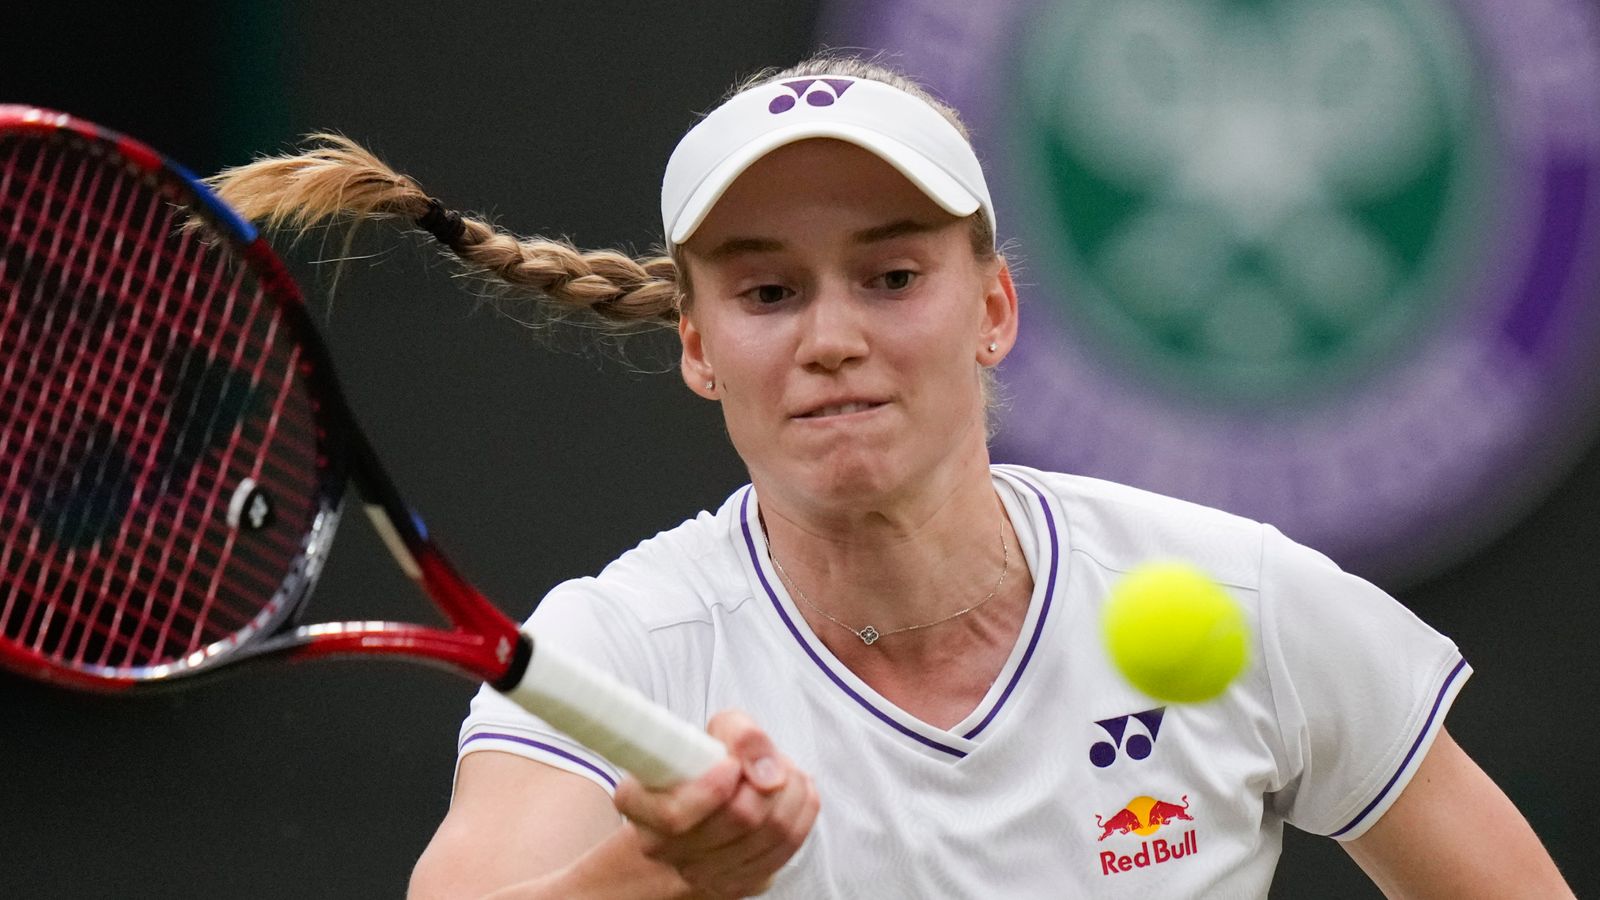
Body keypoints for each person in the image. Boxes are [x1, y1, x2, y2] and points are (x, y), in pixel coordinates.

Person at [212, 54, 1573, 899]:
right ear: (697, 346)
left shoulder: (1239, 597)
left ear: (995, 308)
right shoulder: (624, 647)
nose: (834, 339)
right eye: (766, 290)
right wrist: (655, 878)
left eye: (893, 273)